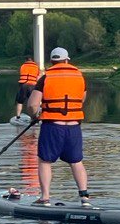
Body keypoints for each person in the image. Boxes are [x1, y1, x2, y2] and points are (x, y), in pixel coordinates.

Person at [27, 47, 92, 206]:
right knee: (76, 161)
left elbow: (32, 104)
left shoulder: (45, 77)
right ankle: (84, 198)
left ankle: (45, 198)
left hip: (52, 126)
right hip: (73, 126)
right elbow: (82, 98)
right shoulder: (79, 75)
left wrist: (35, 116)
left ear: (52, 61)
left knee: (45, 161)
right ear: (67, 60)